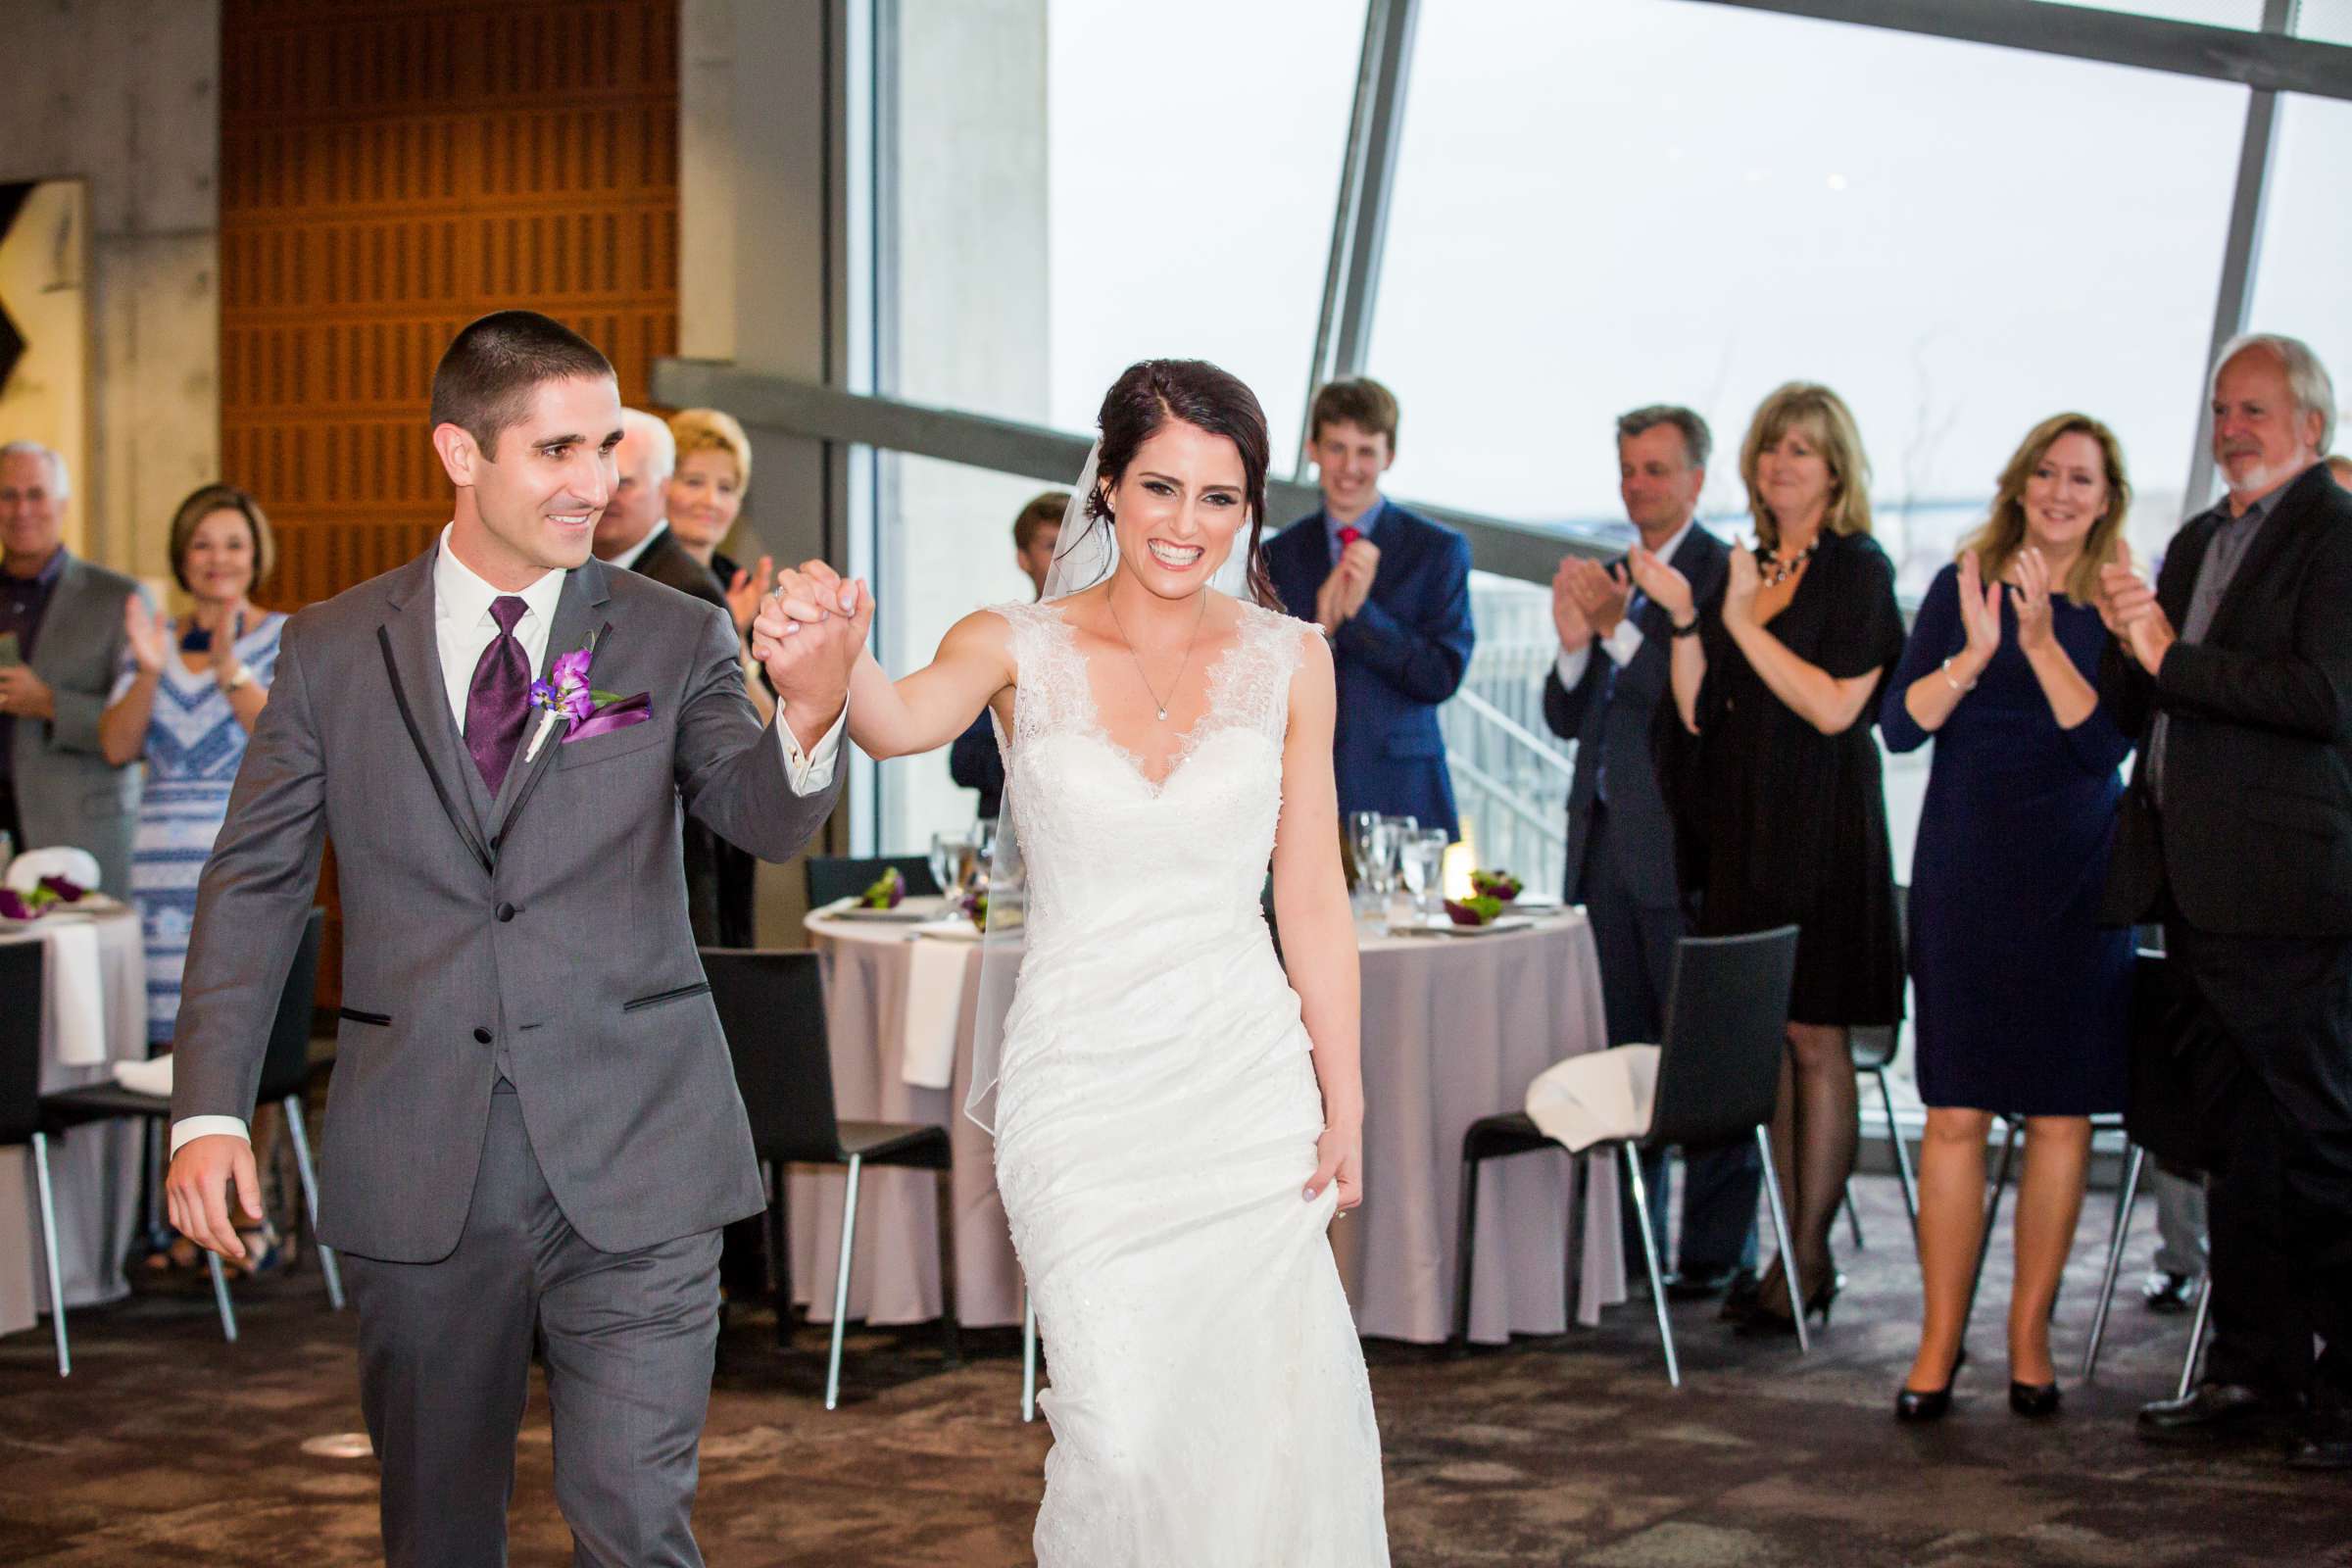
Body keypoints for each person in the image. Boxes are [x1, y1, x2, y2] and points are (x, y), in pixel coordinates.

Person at [165, 310, 860, 1564]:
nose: (594, 482)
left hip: (640, 1146)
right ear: (460, 453)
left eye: (603, 446)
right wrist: (209, 1108)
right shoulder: (328, 651)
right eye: (554, 452)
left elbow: (756, 813)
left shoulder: (669, 631)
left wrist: (809, 712)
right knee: (437, 1533)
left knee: (638, 1527)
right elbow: (256, 882)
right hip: (419, 1150)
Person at [772, 359, 1387, 1564]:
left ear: (1251, 507)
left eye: (1220, 498)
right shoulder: (1015, 642)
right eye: (1160, 487)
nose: (1185, 524)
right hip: (1082, 1091)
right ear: (1108, 484)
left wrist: (1345, 1097)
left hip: (1243, 1085)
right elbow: (895, 724)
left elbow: (1311, 893)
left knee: (1268, 1413)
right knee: (1118, 1428)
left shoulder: (1292, 658)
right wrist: (830, 658)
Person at [2096, 332, 2352, 1471]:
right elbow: (2150, 693)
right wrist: (2120, 639)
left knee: (2319, 1142)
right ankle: (2254, 1368)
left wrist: (2164, 651)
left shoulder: (2338, 539)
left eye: (2253, 409)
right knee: (2239, 1146)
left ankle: (2344, 1388)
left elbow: (2322, 697)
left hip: (2288, 894)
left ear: (2312, 424)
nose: (2231, 428)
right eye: (2220, 408)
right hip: (2191, 891)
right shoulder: (2200, 538)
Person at [1633, 381, 1905, 1337]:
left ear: (1836, 467)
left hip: (1825, 836)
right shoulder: (1745, 565)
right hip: (1750, 833)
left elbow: (1836, 707)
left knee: (1818, 1042)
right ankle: (1789, 1251)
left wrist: (1743, 622)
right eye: (1771, 448)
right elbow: (1700, 707)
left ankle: (1811, 1258)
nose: (1782, 463)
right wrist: (1684, 618)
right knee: (1778, 1047)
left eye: (1802, 449)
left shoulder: (1857, 568)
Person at [1881, 415, 2136, 1420]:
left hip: (2077, 878)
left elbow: (2105, 747)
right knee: (1955, 1112)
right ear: (2020, 483)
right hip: (1966, 873)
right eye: (2047, 471)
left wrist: (2040, 641)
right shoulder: (1962, 584)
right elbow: (1901, 724)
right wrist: (1979, 652)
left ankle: (2029, 1337)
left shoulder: (2120, 601)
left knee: (2061, 1114)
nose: (2062, 491)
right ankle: (1940, 1339)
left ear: (2106, 498)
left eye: (2083, 478)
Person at [1543, 405, 1754, 1300]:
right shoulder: (1616, 573)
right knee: (1620, 1051)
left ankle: (1712, 1252)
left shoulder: (1720, 573)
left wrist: (1618, 627)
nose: (1639, 486)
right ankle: (1627, 1254)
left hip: (1682, 853)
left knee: (1700, 1056)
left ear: (1698, 481)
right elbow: (1569, 717)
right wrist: (1570, 642)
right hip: (1600, 856)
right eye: (1629, 469)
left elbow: (1691, 707)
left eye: (1657, 470)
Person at [1263, 376, 1472, 838]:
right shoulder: (1278, 554)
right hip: (1299, 795)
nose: (1349, 467)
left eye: (1366, 452)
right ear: (1312, 449)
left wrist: (1363, 617)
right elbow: (1265, 682)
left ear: (1389, 456)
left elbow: (1443, 675)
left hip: (1403, 797)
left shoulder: (1437, 550)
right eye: (1336, 448)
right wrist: (1323, 630)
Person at [596, 407, 753, 947]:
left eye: (626, 481)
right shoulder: (605, 571)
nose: (606, 492)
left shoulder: (689, 591)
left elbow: (659, 718)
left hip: (664, 856)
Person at [0, 441, 144, 891]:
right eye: (8, 495)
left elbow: (141, 731)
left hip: (77, 836)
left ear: (62, 505)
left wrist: (48, 704)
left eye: (36, 494)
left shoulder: (118, 598)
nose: (22, 509)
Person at [949, 489, 1064, 818]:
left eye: (1076, 543)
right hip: (1013, 835)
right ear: (1023, 559)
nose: (1065, 556)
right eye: (1051, 545)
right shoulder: (1003, 640)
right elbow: (963, 761)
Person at [665, 407, 774, 645]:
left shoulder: (740, 587)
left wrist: (736, 639)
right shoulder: (633, 577)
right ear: (662, 486)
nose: (711, 501)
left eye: (725, 488)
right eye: (694, 482)